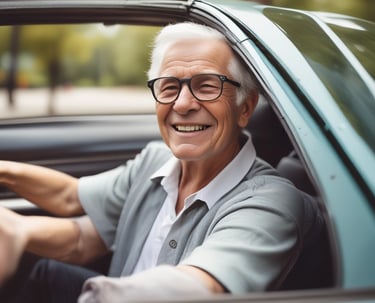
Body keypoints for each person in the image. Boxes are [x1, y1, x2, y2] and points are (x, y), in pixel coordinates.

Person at [0, 22, 322, 303]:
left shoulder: (273, 202)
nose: (182, 104)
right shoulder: (154, 160)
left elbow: (201, 286)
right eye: (169, 87)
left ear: (245, 108)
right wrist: (18, 229)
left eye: (207, 85)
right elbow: (80, 222)